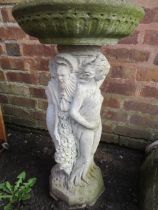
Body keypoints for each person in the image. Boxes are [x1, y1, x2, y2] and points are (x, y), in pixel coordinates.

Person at [69, 54, 110, 185]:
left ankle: (87, 174)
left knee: (92, 153)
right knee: (85, 157)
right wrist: (88, 125)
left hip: (97, 125)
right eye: (101, 72)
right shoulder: (82, 89)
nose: (103, 75)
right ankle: (75, 180)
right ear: (93, 73)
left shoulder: (95, 85)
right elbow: (73, 111)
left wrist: (97, 58)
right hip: (85, 128)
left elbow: (107, 69)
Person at [46, 53, 78, 175]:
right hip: (59, 121)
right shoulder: (52, 87)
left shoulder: (77, 87)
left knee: (70, 144)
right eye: (58, 75)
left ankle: (72, 164)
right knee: (60, 142)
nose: (60, 78)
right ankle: (65, 165)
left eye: (63, 75)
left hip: (73, 123)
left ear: (70, 74)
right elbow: (51, 106)